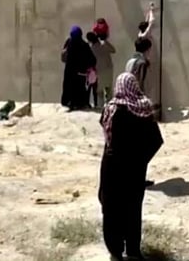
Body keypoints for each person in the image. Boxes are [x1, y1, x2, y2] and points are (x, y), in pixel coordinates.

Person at [98, 72, 163, 261]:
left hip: (111, 167)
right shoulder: (143, 109)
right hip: (134, 170)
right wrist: (140, 160)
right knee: (132, 209)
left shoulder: (110, 109)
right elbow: (156, 140)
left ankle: (115, 251)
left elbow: (108, 138)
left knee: (111, 209)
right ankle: (133, 250)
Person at [61, 26, 96, 110]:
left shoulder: (69, 42)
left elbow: (63, 56)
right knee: (80, 87)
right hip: (80, 72)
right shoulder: (84, 45)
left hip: (69, 71)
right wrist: (88, 67)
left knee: (69, 86)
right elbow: (92, 59)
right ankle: (79, 103)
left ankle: (69, 102)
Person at [87, 31, 116, 106]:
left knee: (99, 93)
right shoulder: (104, 44)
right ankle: (111, 107)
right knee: (109, 91)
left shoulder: (90, 49)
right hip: (108, 71)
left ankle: (101, 109)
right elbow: (113, 50)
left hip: (98, 73)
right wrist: (106, 40)